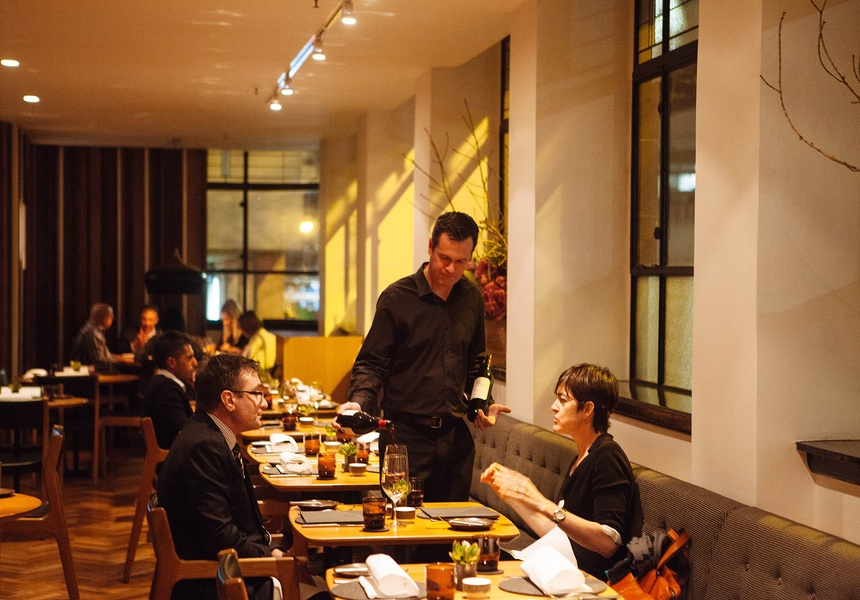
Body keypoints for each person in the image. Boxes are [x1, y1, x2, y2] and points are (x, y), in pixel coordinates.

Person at [338, 211, 510, 502]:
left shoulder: (471, 298)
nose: (452, 269)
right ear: (430, 247)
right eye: (445, 258)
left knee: (451, 525)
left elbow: (477, 362)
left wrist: (483, 403)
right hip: (404, 437)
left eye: (461, 262)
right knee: (403, 522)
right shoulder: (397, 298)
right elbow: (372, 363)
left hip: (455, 440)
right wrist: (358, 401)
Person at [480, 363, 635, 578]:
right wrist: (513, 497)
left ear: (587, 409)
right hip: (563, 564)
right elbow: (559, 533)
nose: (554, 407)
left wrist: (543, 503)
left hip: (587, 578)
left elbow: (608, 543)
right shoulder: (582, 456)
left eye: (563, 400)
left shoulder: (608, 457)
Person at [156, 354, 283, 600]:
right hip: (218, 583)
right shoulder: (205, 447)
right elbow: (221, 536)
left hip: (233, 568)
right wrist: (272, 559)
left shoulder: (210, 434)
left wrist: (272, 550)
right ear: (229, 400)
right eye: (257, 393)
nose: (265, 403)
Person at [142, 331, 197, 449]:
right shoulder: (166, 390)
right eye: (189, 358)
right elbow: (184, 432)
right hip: (174, 457)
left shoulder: (164, 384)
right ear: (172, 362)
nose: (195, 363)